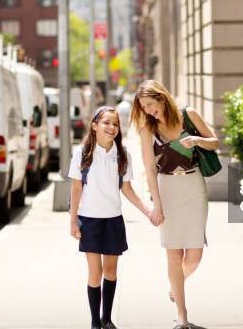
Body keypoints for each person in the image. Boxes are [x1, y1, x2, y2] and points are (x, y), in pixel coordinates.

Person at [130, 80, 219, 329]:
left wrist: (196, 140)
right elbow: (149, 169)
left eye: (149, 104)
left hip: (194, 188)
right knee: (173, 255)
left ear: (161, 97)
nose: (148, 110)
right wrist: (156, 205)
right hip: (167, 190)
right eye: (143, 107)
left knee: (195, 255)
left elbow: (215, 141)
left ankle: (176, 284)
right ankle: (182, 317)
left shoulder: (188, 115)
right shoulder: (148, 129)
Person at [69, 106, 158, 329]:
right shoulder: (82, 153)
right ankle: (94, 322)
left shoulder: (122, 155)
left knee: (111, 270)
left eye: (115, 124)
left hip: (113, 219)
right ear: (95, 125)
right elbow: (76, 188)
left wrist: (147, 210)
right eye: (107, 123)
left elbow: (126, 189)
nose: (112, 128)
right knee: (95, 272)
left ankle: (106, 319)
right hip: (89, 219)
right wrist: (73, 221)